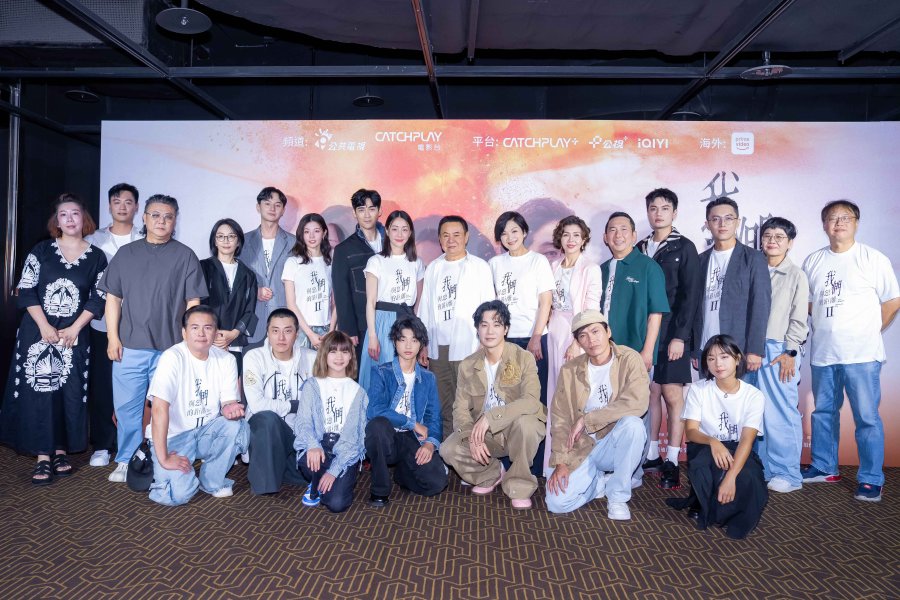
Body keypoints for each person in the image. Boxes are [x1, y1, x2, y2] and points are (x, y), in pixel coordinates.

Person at [99, 194, 208, 484]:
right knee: (127, 408)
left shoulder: (185, 256)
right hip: (130, 344)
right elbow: (113, 299)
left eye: (168, 216)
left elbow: (193, 302)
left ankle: (165, 456)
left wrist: (189, 344)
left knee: (169, 408)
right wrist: (112, 337)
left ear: (175, 221)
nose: (162, 221)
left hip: (171, 348)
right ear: (144, 218)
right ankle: (126, 458)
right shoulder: (126, 254)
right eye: (156, 215)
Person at [0, 194, 107, 485]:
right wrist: (44, 326)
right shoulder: (41, 251)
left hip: (74, 336)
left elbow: (98, 297)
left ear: (84, 218)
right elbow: (27, 290)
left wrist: (75, 328)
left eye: (75, 213)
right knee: (41, 390)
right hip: (39, 332)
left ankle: (61, 450)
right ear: (56, 220)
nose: (70, 219)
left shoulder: (97, 257)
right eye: (63, 214)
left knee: (69, 391)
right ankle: (42, 456)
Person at [801, 200, 900, 502]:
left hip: (862, 355)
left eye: (845, 217)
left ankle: (871, 478)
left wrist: (869, 330)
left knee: (866, 417)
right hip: (823, 354)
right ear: (824, 225)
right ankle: (824, 466)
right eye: (832, 218)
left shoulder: (873, 258)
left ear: (856, 222)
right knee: (823, 413)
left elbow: (892, 301)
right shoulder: (814, 260)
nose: (839, 223)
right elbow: (808, 303)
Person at [439, 300, 546, 510]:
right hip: (485, 435)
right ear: (477, 329)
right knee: (448, 449)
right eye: (484, 325)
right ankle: (491, 473)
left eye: (496, 324)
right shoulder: (468, 365)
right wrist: (469, 436)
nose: (489, 331)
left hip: (515, 429)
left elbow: (532, 401)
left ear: (506, 329)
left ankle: (520, 485)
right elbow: (460, 409)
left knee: (528, 424)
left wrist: (491, 417)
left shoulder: (523, 358)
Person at [545, 310, 649, 520]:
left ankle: (617, 496)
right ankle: (598, 482)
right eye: (583, 336)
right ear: (578, 342)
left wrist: (587, 419)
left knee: (633, 425)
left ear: (608, 332)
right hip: (581, 446)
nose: (591, 340)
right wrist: (562, 462)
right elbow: (560, 419)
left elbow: (637, 403)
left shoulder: (629, 359)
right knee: (557, 503)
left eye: (595, 331)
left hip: (614, 442)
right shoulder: (570, 370)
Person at [666, 335, 767, 540]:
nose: (718, 364)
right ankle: (701, 499)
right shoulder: (699, 389)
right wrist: (714, 442)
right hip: (704, 444)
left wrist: (731, 477)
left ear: (737, 358)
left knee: (748, 478)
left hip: (738, 447)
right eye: (711, 359)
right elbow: (691, 431)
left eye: (724, 357)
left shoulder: (754, 395)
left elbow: (747, 440)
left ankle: (722, 508)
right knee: (707, 465)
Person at [146, 306, 247, 506]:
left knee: (238, 427)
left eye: (207, 328)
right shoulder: (172, 357)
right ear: (184, 333)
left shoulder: (226, 359)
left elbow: (228, 402)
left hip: (204, 432)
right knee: (176, 495)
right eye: (194, 328)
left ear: (216, 333)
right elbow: (158, 409)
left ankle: (211, 481)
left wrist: (230, 408)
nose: (201, 333)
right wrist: (164, 458)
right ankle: (161, 464)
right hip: (173, 436)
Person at [636, 189, 701, 490]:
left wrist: (680, 337)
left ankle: (672, 461)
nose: (658, 213)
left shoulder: (685, 247)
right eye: (653, 208)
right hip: (647, 334)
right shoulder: (640, 247)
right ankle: (652, 455)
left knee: (673, 396)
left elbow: (691, 297)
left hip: (674, 332)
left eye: (665, 208)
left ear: (674, 213)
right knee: (650, 393)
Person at [417, 216, 495, 439]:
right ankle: (447, 449)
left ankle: (471, 450)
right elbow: (425, 308)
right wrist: (423, 344)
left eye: (456, 235)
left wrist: (485, 343)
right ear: (440, 240)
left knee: (471, 403)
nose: (451, 240)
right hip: (438, 347)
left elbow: (489, 309)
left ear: (466, 237)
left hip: (469, 344)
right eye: (446, 235)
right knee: (443, 403)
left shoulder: (480, 267)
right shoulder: (434, 268)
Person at [85, 183, 143, 468]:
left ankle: (131, 443)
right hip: (101, 324)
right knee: (103, 385)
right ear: (109, 206)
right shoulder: (93, 240)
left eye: (128, 202)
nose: (122, 206)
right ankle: (102, 444)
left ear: (137, 207)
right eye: (117, 201)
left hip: (138, 324)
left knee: (135, 387)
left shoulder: (145, 238)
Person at [365, 315, 447, 507]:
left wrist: (430, 444)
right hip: (387, 437)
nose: (408, 345)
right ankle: (379, 491)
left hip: (412, 439)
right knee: (377, 426)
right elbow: (374, 410)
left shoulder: (428, 378)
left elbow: (434, 417)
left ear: (421, 344)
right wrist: (411, 423)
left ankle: (403, 472)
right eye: (403, 339)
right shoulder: (381, 372)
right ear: (395, 342)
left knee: (436, 483)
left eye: (414, 340)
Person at [543, 216, 601, 477]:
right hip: (554, 332)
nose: (571, 239)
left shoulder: (591, 268)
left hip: (577, 332)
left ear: (584, 238)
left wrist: (578, 341)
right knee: (555, 396)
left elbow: (592, 308)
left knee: (576, 397)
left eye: (576, 235)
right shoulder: (552, 266)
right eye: (566, 234)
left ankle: (578, 463)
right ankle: (554, 460)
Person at [755, 217, 809, 494]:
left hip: (780, 349)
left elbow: (799, 318)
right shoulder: (754, 269)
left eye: (779, 236)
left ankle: (788, 473)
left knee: (781, 413)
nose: (772, 241)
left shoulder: (796, 275)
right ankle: (764, 468)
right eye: (767, 235)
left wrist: (790, 351)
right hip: (751, 349)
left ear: (790, 243)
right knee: (757, 413)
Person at [692, 198, 771, 380]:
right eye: (715, 219)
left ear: (738, 222)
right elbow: (693, 307)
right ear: (707, 224)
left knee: (738, 397)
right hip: (706, 349)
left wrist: (754, 349)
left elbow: (760, 306)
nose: (722, 224)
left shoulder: (753, 258)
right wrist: (694, 349)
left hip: (738, 348)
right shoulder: (700, 260)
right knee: (709, 397)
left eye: (728, 218)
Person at [242, 308, 316, 495]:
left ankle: (283, 467)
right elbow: (257, 405)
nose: (281, 337)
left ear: (297, 334)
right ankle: (265, 485)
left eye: (287, 331)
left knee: (318, 474)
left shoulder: (312, 358)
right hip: (266, 431)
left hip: (299, 432)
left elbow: (318, 402)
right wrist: (293, 405)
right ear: (267, 333)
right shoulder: (254, 357)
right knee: (267, 419)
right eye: (275, 331)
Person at [293, 331, 368, 513]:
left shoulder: (358, 392)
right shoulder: (312, 385)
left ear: (351, 356)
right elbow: (303, 422)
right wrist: (313, 445)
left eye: (344, 351)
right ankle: (317, 481)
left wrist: (334, 471)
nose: (339, 357)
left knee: (337, 504)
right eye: (333, 351)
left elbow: (355, 438)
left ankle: (321, 484)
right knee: (309, 460)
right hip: (319, 445)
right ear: (324, 355)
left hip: (344, 450)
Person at [489, 211, 554, 410]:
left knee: (536, 393)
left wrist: (536, 337)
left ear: (524, 232)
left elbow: (545, 302)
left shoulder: (538, 261)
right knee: (508, 393)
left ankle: (538, 432)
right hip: (505, 339)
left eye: (514, 231)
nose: (510, 237)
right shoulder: (495, 264)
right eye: (504, 233)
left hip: (533, 338)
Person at [359, 210, 425, 391]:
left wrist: (418, 333)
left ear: (410, 233)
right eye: (395, 229)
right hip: (383, 322)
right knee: (382, 376)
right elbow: (370, 302)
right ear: (387, 231)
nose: (399, 234)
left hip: (409, 322)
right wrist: (373, 336)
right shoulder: (376, 261)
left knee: (406, 377)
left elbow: (419, 302)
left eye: (404, 229)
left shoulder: (417, 263)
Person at [599, 211, 670, 371]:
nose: (618, 235)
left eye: (624, 229)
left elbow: (656, 314)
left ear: (634, 236)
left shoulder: (649, 267)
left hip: (635, 352)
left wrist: (648, 351)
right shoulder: (601, 270)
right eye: (612, 230)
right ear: (605, 238)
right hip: (602, 352)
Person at [332, 189, 385, 365]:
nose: (367, 215)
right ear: (354, 213)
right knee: (363, 373)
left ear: (380, 211)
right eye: (361, 210)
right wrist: (348, 329)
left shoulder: (393, 243)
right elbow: (341, 293)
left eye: (372, 209)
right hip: (361, 326)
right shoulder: (344, 250)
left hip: (392, 321)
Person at [200, 219, 258, 375]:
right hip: (206, 340)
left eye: (231, 236)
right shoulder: (203, 267)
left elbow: (250, 311)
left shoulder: (248, 275)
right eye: (220, 236)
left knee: (231, 385)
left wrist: (233, 334)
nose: (226, 241)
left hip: (234, 342)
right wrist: (214, 333)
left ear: (238, 241)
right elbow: (198, 305)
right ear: (214, 241)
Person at [243, 187, 294, 345]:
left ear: (283, 210)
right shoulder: (242, 241)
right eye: (267, 203)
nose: (272, 208)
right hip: (251, 321)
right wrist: (253, 292)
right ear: (258, 207)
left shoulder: (294, 243)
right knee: (251, 362)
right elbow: (234, 278)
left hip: (283, 322)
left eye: (277, 205)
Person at [282, 213, 336, 349]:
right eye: (307, 232)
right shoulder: (293, 262)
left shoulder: (331, 262)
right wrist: (310, 334)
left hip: (327, 330)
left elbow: (336, 302)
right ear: (301, 234)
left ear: (324, 233)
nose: (311, 236)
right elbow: (291, 304)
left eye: (316, 231)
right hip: (301, 330)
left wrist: (331, 330)